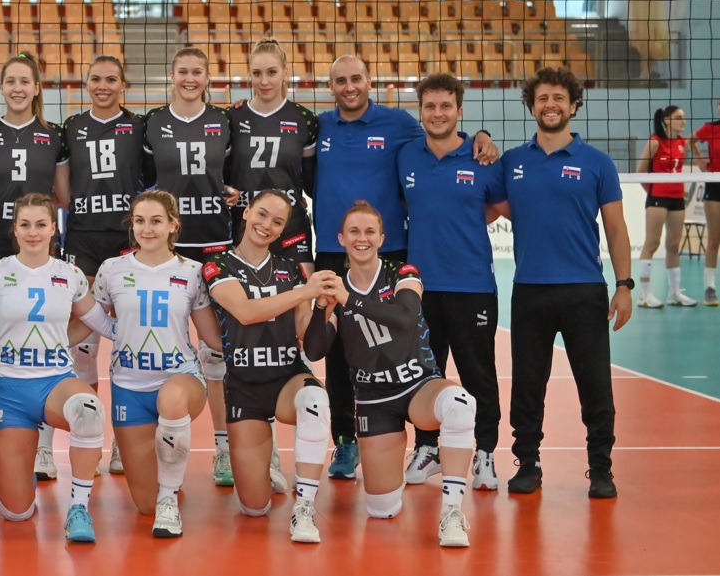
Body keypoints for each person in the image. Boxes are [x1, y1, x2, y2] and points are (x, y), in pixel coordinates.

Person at [313, 54, 496, 481]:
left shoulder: (399, 124)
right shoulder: (318, 126)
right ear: (331, 86)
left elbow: (443, 135)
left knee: (404, 350)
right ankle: (347, 440)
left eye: (357, 78)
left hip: (391, 251)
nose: (349, 87)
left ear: (370, 81)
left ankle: (444, 445)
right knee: (340, 354)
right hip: (333, 250)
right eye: (341, 80)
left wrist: (480, 137)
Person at [493, 67, 632, 499]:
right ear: (531, 106)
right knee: (527, 384)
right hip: (529, 290)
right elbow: (489, 208)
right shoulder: (512, 162)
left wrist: (624, 284)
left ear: (573, 105)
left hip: (584, 290)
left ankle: (601, 469)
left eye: (558, 97)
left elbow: (616, 228)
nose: (550, 104)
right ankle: (527, 464)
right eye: (542, 98)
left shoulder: (597, 162)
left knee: (595, 384)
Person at [318, 202, 478, 547]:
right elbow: (316, 349)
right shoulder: (334, 287)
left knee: (460, 403)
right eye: (354, 232)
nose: (362, 238)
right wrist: (321, 306)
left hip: (417, 385)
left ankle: (452, 512)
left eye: (370, 231)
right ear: (341, 239)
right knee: (382, 509)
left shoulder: (402, 272)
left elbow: (405, 318)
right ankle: (390, 466)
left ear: (382, 237)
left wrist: (349, 299)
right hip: (373, 399)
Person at [0, 194, 111, 543]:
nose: (33, 232)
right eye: (25, 224)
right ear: (14, 229)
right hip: (10, 391)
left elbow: (99, 323)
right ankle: (20, 470)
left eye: (41, 224)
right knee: (17, 511)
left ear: (54, 228)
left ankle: (78, 508)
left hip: (56, 382)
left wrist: (141, 333)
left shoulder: (69, 274)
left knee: (88, 411)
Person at [204, 189, 340, 543]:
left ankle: (304, 507)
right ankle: (265, 466)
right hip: (244, 387)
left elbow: (305, 334)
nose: (267, 225)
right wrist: (306, 291)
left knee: (316, 400)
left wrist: (325, 307)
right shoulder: (218, 265)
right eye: (262, 214)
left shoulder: (290, 268)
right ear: (246, 212)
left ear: (282, 230)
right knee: (254, 507)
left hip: (285, 378)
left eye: (278, 222)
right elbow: (245, 313)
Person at [395, 73, 506, 491]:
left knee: (479, 374)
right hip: (420, 287)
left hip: (472, 285)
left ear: (460, 110)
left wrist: (464, 222)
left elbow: (500, 208)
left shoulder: (482, 158)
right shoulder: (406, 156)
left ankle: (485, 453)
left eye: (446, 106)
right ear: (420, 111)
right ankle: (427, 449)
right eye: (430, 106)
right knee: (425, 372)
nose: (437, 113)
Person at [91, 191, 217, 538]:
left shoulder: (191, 271)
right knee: (144, 504)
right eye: (139, 221)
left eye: (156, 221)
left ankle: (169, 499)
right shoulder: (111, 269)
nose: (146, 229)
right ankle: (162, 487)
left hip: (181, 379)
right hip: (129, 387)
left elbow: (212, 336)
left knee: (172, 399)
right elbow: (88, 320)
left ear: (173, 225)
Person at [0, 53, 70, 480]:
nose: (17, 88)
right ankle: (2, 448)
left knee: (45, 343)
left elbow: (64, 195)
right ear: (2, 87)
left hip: (41, 248)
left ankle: (43, 451)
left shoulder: (54, 135)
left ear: (36, 88)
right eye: (9, 81)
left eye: (24, 81)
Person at [142, 46, 235, 486]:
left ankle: (224, 450)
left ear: (207, 77)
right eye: (183, 71)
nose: (190, 78)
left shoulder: (225, 120)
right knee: (158, 349)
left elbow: (235, 175)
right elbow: (145, 180)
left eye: (198, 71)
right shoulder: (153, 122)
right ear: (172, 75)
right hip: (169, 250)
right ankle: (148, 446)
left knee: (216, 354)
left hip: (216, 244)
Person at [60, 55, 149, 474]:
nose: (103, 86)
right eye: (95, 79)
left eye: (111, 79)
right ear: (86, 84)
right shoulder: (72, 127)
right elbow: (63, 186)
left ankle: (124, 443)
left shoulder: (139, 126)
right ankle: (89, 439)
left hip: (127, 242)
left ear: (123, 85)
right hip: (82, 240)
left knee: (130, 341)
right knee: (84, 344)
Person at [226, 38, 319, 274]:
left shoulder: (304, 119)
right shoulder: (231, 118)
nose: (264, 81)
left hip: (291, 226)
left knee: (303, 292)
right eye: (257, 73)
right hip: (245, 226)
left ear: (285, 73)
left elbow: (311, 182)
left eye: (272, 72)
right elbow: (220, 174)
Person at [635, 105, 695, 308]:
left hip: (677, 198)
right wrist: (652, 191)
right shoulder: (655, 141)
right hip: (657, 198)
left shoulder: (682, 142)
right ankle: (644, 294)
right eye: (678, 117)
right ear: (667, 120)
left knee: (673, 246)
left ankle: (674, 293)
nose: (683, 121)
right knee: (652, 243)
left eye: (684, 117)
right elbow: (640, 171)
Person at [692, 101, 720, 305]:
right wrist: (700, 160)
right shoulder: (710, 128)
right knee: (714, 238)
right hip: (715, 183)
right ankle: (710, 287)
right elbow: (690, 141)